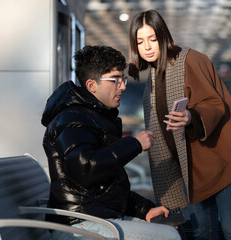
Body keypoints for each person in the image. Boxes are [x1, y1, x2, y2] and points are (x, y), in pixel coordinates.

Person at [128, 9, 231, 240]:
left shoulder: (190, 59)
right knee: (201, 231)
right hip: (191, 168)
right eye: (140, 41)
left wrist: (190, 117)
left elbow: (215, 103)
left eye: (152, 39)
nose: (147, 47)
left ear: (164, 37)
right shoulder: (152, 78)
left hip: (223, 158)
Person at [41, 45, 181, 240]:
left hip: (96, 219)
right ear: (92, 85)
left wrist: (145, 210)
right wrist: (135, 144)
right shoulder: (73, 119)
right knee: (168, 237)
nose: (122, 86)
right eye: (115, 80)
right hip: (79, 225)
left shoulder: (94, 117)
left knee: (174, 229)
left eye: (122, 79)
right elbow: (85, 169)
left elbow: (107, 189)